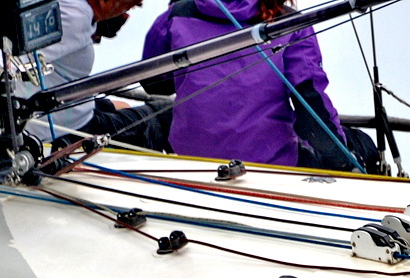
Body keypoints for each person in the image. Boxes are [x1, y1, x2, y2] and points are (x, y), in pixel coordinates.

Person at [142, 0, 370, 170]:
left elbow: (155, 85)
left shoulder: (178, 13)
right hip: (267, 162)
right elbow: (310, 104)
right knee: (361, 144)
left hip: (190, 159)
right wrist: (345, 162)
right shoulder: (292, 23)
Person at [21, 0, 167, 150]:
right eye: (131, 2)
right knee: (166, 115)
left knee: (122, 106)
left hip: (74, 110)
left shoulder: (75, 11)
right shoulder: (75, 16)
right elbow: (13, 64)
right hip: (68, 131)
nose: (136, 5)